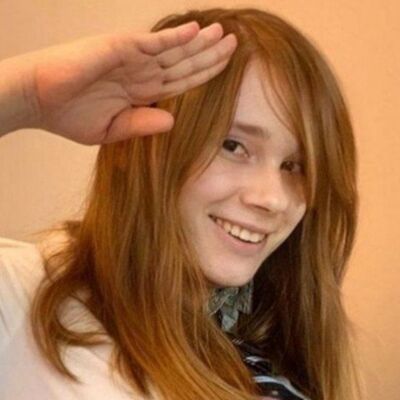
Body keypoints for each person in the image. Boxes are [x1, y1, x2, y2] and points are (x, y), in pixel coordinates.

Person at [0, 7, 362, 400]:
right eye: (233, 146)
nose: (272, 199)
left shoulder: (270, 345)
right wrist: (30, 94)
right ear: (134, 144)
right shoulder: (20, 301)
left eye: (294, 166)